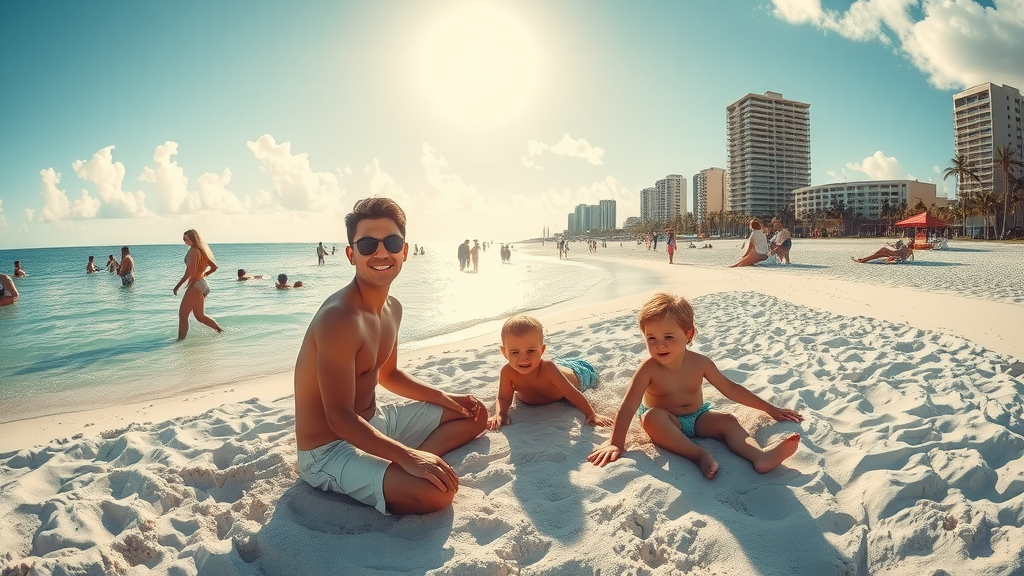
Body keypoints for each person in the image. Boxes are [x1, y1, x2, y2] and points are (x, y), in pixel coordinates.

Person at [293, 197, 487, 515]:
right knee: (437, 494)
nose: (381, 253)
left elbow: (389, 375)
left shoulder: (391, 307)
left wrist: (443, 396)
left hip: (376, 423)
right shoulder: (339, 317)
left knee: (474, 411)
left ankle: (406, 462)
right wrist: (409, 458)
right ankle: (407, 464)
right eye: (368, 244)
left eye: (391, 242)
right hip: (329, 448)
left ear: (404, 251)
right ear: (351, 254)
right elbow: (338, 418)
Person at [587, 293, 803, 478]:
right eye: (651, 338)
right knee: (652, 417)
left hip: (698, 417)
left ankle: (760, 456)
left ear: (688, 334)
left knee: (728, 421)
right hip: (667, 423)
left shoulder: (701, 363)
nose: (659, 344)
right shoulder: (649, 368)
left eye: (668, 336)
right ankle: (698, 454)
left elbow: (731, 389)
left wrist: (770, 408)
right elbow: (629, 406)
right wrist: (616, 442)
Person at [487, 315, 613, 431]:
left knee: (588, 372)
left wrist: (591, 414)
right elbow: (503, 398)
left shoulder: (548, 368)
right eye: (515, 352)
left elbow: (572, 392)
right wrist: (500, 414)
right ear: (504, 353)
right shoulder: (507, 372)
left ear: (542, 350)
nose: (523, 358)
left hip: (579, 374)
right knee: (554, 364)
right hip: (555, 367)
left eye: (531, 350)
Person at [173, 229, 223, 340]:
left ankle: (179, 342)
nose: (185, 241)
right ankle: (220, 331)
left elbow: (189, 272)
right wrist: (203, 275)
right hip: (202, 285)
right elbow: (214, 267)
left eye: (187, 239)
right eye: (183, 239)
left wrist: (178, 286)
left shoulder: (193, 251)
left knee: (183, 315)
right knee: (200, 316)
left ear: (193, 238)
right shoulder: (201, 251)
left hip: (196, 285)